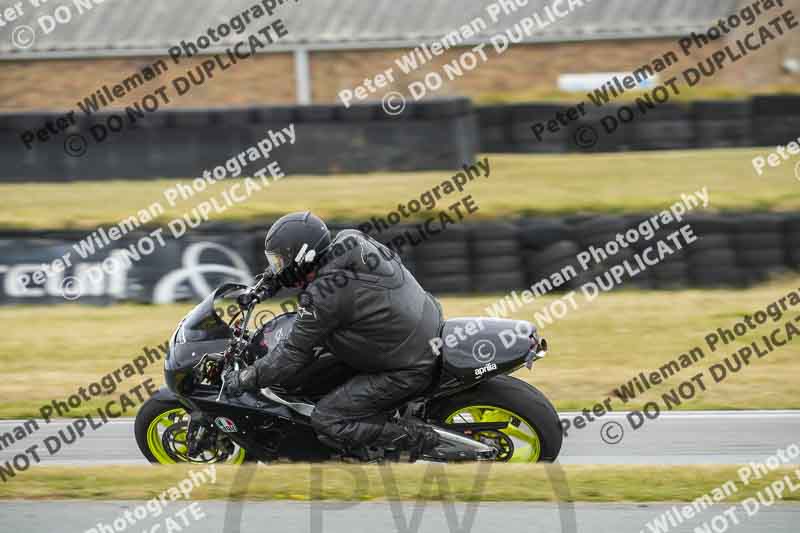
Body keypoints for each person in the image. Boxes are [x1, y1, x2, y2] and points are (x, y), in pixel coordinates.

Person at [224, 211, 441, 457]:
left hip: (407, 366)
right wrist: (263, 287)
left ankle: (419, 439)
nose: (277, 266)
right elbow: (291, 270)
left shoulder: (323, 298)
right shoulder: (351, 239)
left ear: (304, 256)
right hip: (420, 322)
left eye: (279, 261)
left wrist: (246, 378)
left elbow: (291, 355)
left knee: (328, 419)